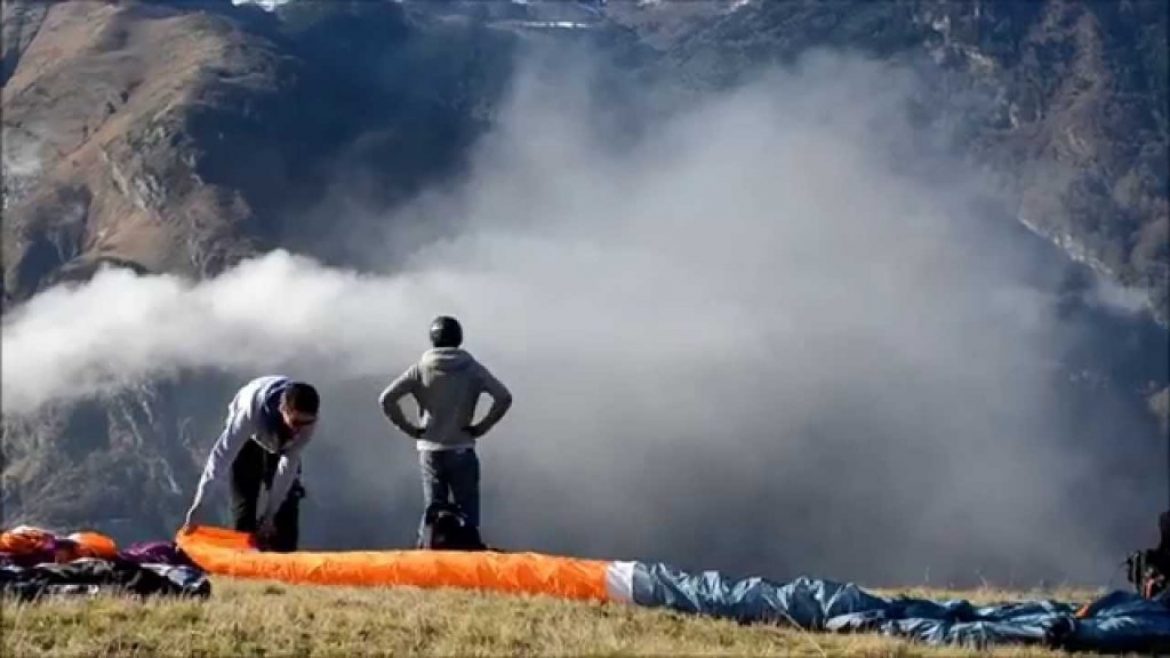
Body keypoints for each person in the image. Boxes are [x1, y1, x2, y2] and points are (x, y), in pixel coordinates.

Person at [379, 316, 512, 545]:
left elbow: (386, 399)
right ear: (459, 338)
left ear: (432, 339)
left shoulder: (420, 369)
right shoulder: (472, 369)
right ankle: (470, 558)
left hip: (429, 448)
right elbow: (503, 397)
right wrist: (481, 427)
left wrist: (411, 428)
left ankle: (427, 558)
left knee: (433, 510)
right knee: (468, 512)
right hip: (462, 446)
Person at [184, 376, 319, 552]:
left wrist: (270, 514)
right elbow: (221, 457)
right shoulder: (250, 411)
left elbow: (287, 468)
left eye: (307, 423)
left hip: (280, 444)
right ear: (282, 409)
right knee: (244, 507)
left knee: (286, 509)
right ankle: (245, 560)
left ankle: (284, 561)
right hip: (248, 439)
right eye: (296, 422)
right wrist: (199, 505)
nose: (300, 429)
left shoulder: (307, 425)